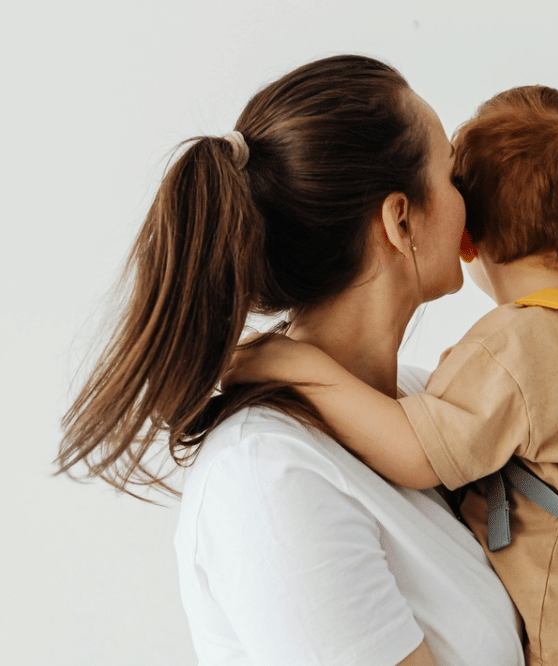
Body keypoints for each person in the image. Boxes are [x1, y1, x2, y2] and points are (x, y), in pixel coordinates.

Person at [56, 55, 524, 666]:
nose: (473, 202)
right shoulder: (268, 478)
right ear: (400, 220)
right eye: (453, 178)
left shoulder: (422, 408)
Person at [228, 86, 558, 666]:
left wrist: (288, 362)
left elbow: (414, 451)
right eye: (452, 179)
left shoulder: (497, 359)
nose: (463, 204)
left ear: (473, 239)